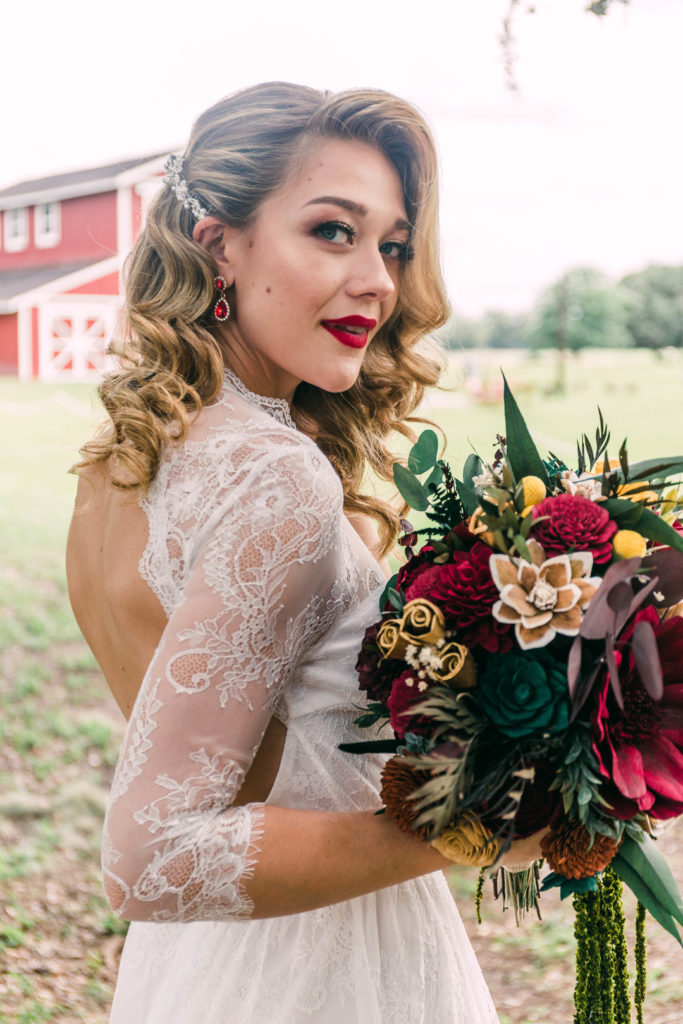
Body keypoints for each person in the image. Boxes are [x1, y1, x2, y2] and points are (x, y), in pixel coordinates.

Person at [66, 81, 511, 1023]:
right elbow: (153, 855)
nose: (380, 281)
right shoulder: (274, 477)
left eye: (391, 245)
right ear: (216, 240)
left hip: (197, 970)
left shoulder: (122, 453)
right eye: (332, 232)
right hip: (326, 971)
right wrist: (483, 821)